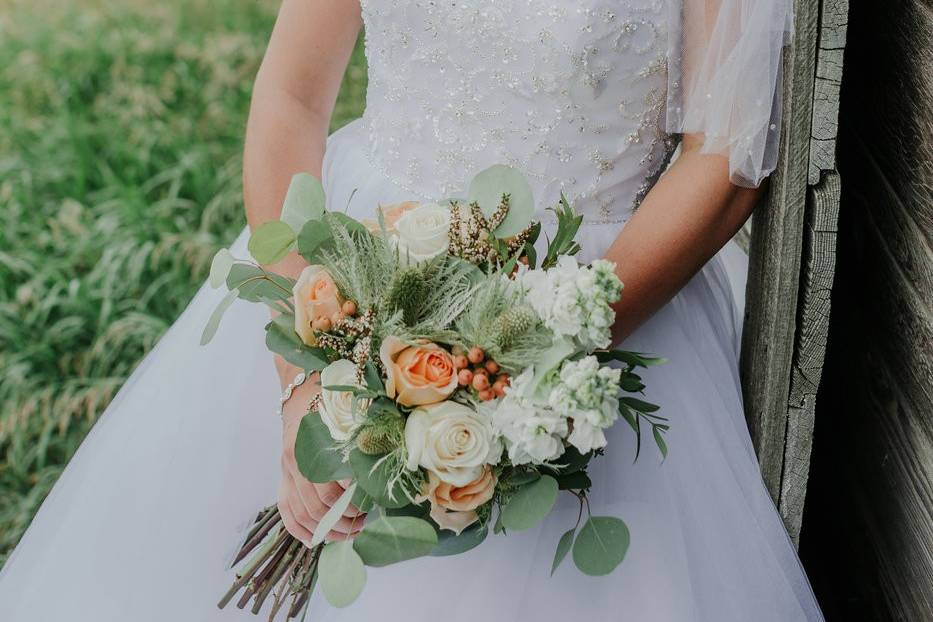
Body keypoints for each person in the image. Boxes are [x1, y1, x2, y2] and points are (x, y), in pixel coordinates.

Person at [0, 1, 824, 620]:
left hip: (599, 299)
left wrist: (520, 365)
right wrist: (307, 378)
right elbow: (290, 99)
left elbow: (724, 162)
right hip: (350, 265)